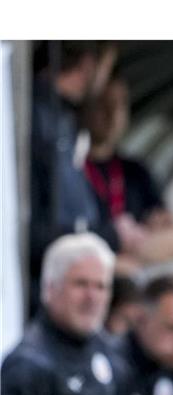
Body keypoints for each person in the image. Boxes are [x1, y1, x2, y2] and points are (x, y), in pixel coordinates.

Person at [1, 233, 125, 395]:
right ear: (50, 288)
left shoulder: (105, 349)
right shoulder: (29, 363)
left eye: (101, 286)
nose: (92, 297)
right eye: (80, 284)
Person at [28, 42, 123, 316]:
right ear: (88, 64)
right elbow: (30, 229)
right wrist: (109, 236)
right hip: (40, 296)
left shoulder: (62, 121)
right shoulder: (39, 120)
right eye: (107, 68)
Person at [83, 75, 173, 276]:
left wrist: (128, 256)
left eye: (120, 105)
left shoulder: (135, 171)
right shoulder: (71, 169)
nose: (112, 114)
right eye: (103, 104)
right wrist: (113, 263)